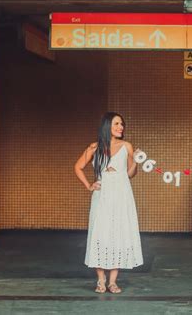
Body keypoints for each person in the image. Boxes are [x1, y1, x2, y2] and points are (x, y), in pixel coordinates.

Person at [74, 112, 143, 294]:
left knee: (117, 233)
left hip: (121, 195)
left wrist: (135, 161)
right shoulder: (94, 147)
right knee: (100, 234)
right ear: (107, 126)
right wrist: (89, 185)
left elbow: (130, 174)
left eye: (122, 124)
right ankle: (100, 280)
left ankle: (112, 282)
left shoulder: (127, 146)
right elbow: (78, 167)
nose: (121, 127)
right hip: (102, 195)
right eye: (116, 124)